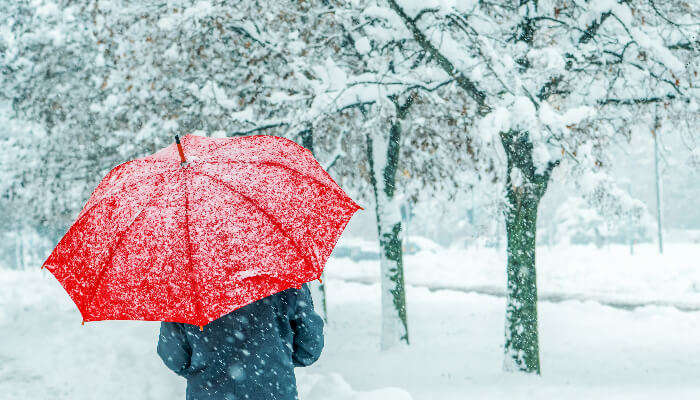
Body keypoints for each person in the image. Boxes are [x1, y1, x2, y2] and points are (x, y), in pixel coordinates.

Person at [157, 283, 324, 400]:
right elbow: (309, 348)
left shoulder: (184, 289)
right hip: (274, 392)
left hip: (208, 393)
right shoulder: (285, 277)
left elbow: (174, 357)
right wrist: (273, 361)